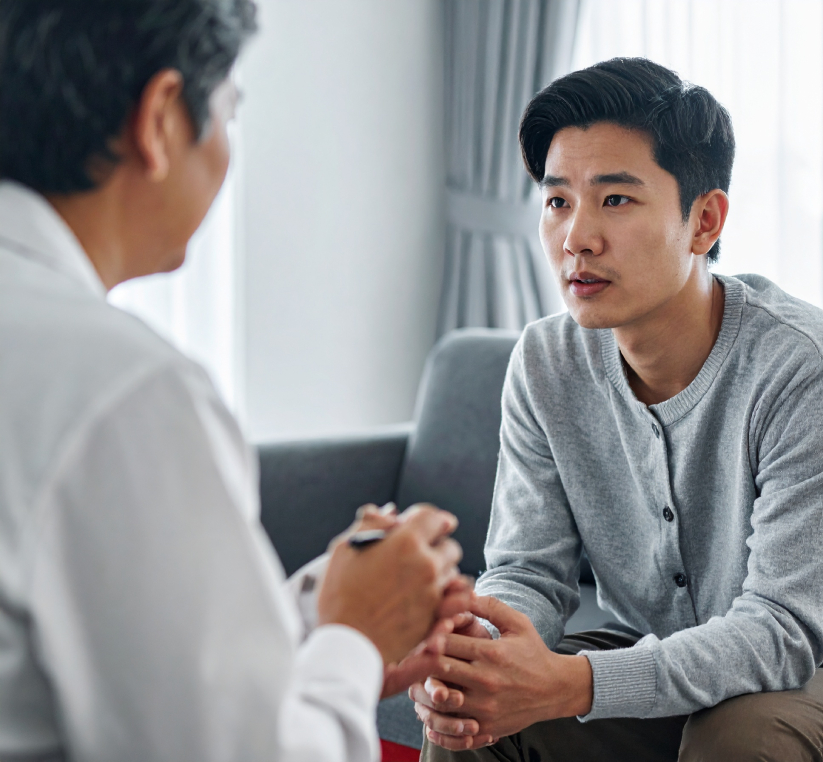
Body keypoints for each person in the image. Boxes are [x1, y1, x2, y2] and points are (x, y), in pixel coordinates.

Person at [413, 58, 823, 761]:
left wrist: (576, 684)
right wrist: (483, 654)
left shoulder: (814, 371)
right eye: (557, 201)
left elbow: (779, 630)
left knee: (739, 737)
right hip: (677, 653)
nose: (576, 237)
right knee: (476, 711)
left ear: (704, 220)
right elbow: (527, 571)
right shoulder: (544, 362)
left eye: (615, 200)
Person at [0, 2, 470, 761]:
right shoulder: (125, 392)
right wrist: (353, 640)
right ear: (158, 119)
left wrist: (328, 616)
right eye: (229, 112)